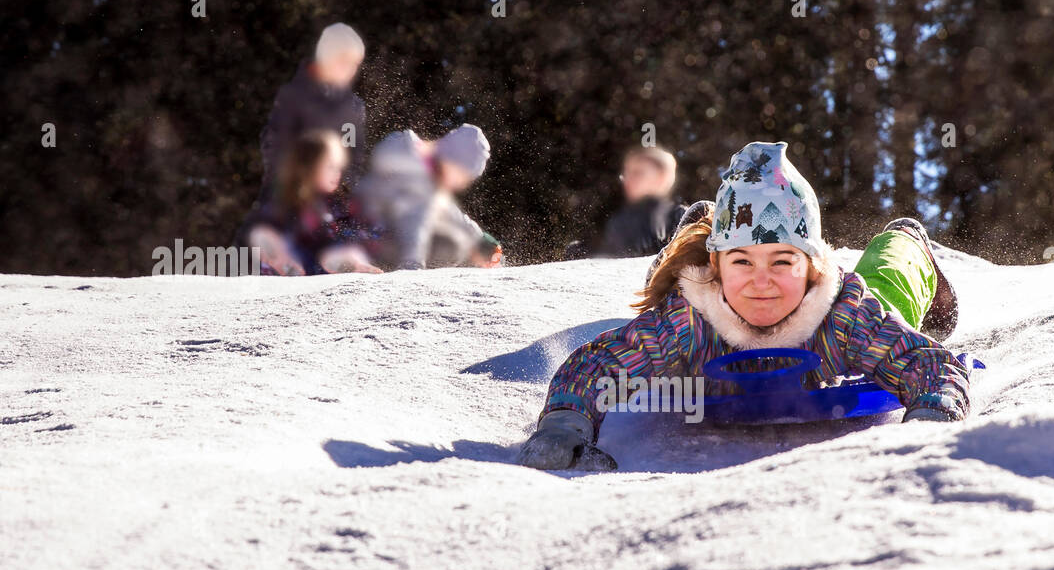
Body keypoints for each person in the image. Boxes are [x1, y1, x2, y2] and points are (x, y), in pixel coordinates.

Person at [518, 141, 970, 471]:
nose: (761, 282)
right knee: (668, 278)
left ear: (812, 266)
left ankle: (905, 236)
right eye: (741, 261)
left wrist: (929, 423)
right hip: (703, 285)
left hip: (854, 314)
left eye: (782, 260)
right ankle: (698, 227)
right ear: (716, 266)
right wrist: (564, 426)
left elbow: (927, 363)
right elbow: (598, 365)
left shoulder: (844, 316)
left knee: (890, 284)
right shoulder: (688, 319)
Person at [356, 124, 500, 270]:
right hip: (368, 235)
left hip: (376, 232)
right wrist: (412, 264)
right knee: (451, 246)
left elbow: (445, 210)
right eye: (463, 175)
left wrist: (478, 238)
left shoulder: (421, 162)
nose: (462, 183)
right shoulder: (414, 175)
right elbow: (414, 224)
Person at [238, 130, 380, 276]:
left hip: (326, 260)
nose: (337, 173)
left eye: (338, 167)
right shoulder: (285, 203)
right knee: (266, 236)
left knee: (348, 251)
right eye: (330, 167)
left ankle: (352, 264)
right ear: (308, 167)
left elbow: (362, 227)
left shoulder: (338, 203)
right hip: (296, 258)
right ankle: (283, 262)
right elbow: (270, 224)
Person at [258, 23, 368, 200]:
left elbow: (352, 153)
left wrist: (346, 185)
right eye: (343, 61)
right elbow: (272, 144)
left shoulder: (353, 107)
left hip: (332, 202)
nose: (349, 69)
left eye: (354, 64)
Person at [565, 146, 687, 259]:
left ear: (662, 178)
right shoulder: (618, 218)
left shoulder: (681, 217)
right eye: (627, 173)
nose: (628, 179)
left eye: (638, 173)